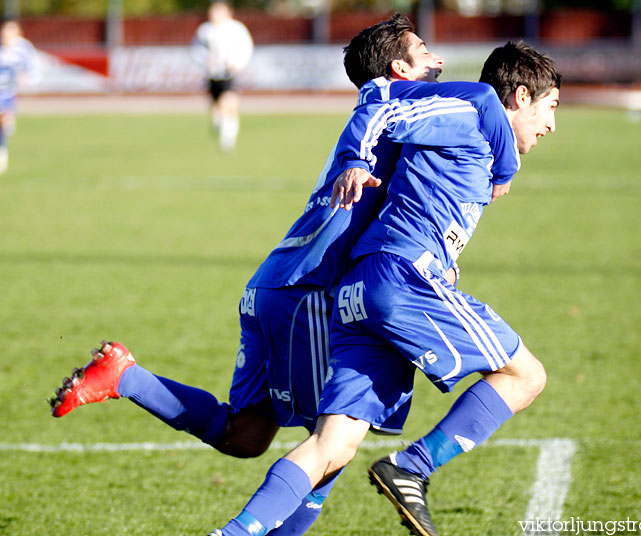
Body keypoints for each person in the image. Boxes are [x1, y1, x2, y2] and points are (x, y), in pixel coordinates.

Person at [49, 14, 478, 536]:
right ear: (398, 68)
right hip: (312, 292)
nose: (438, 60)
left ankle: (124, 376)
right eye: (425, 50)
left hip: (273, 282)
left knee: (246, 433)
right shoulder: (398, 111)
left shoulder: (386, 118)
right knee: (331, 446)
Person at [208, 41, 560, 536]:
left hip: (360, 291)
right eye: (551, 107)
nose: (551, 124)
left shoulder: (483, 131)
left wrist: (503, 165)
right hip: (402, 278)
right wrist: (355, 158)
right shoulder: (472, 111)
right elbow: (383, 107)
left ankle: (235, 532)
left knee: (332, 446)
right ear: (522, 96)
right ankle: (412, 467)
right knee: (526, 376)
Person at [192, 1, 253, 151]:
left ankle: (227, 142)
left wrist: (237, 63)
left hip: (229, 74)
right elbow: (195, 50)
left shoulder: (236, 29)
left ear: (228, 12)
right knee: (216, 109)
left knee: (229, 105)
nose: (215, 15)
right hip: (212, 75)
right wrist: (205, 61)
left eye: (218, 11)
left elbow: (246, 48)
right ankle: (219, 124)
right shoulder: (205, 31)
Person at [0, 20, 39, 174]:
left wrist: (26, 79)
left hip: (7, 94)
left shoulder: (23, 49)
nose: (6, 35)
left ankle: (2, 153)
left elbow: (34, 71)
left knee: (4, 124)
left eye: (10, 31)